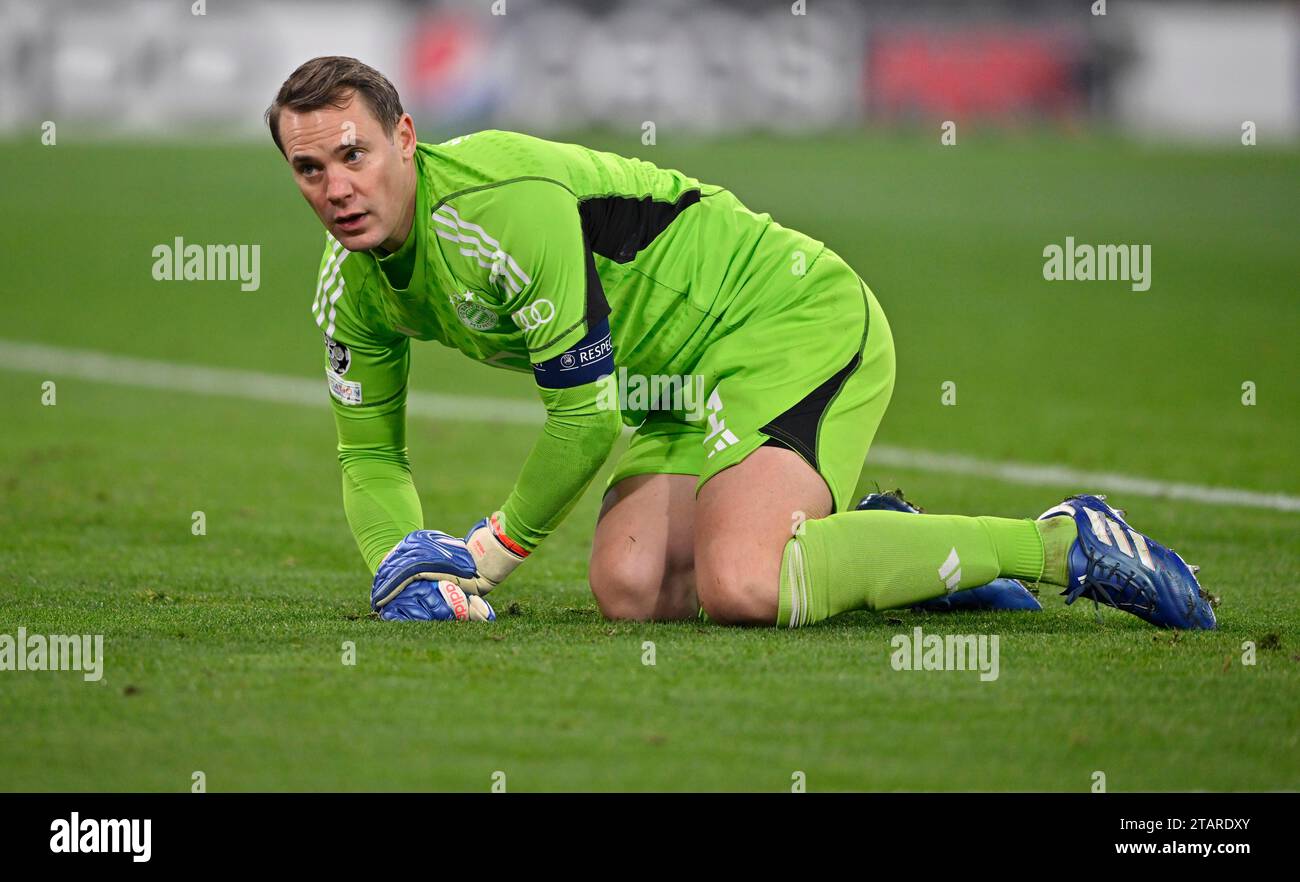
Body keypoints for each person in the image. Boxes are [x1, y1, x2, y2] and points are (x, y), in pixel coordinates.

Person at [268, 56, 1215, 630]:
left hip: (783, 319)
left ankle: (1061, 543)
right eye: (309, 169)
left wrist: (482, 555)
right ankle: (886, 548)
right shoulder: (349, 287)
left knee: (743, 584)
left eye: (353, 154)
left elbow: (584, 424)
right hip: (673, 389)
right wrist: (404, 572)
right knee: (632, 587)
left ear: (404, 138)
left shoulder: (498, 208)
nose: (337, 186)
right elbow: (369, 452)